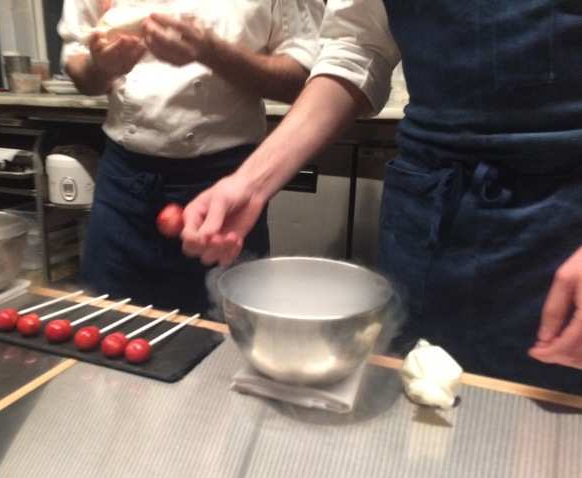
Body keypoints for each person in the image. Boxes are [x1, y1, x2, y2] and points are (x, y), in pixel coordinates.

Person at [180, 0, 582, 393]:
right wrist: (250, 182)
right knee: (412, 395)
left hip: (562, 224)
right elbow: (358, 47)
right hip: (428, 216)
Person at [58, 0, 324, 313]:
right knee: (105, 318)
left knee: (224, 333)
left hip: (225, 182)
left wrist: (212, 53)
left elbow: (303, 76)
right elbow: (78, 64)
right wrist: (99, 67)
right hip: (122, 181)